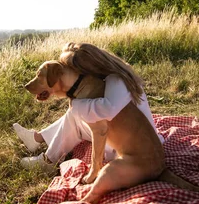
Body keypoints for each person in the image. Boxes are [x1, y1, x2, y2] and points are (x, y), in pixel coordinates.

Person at [13, 42, 164, 170]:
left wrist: (75, 105)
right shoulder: (109, 77)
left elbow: (108, 109)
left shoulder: (117, 79)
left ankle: (47, 160)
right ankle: (37, 138)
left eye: (72, 68)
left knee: (76, 116)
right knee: (79, 113)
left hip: (131, 147)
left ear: (88, 67)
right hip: (128, 136)